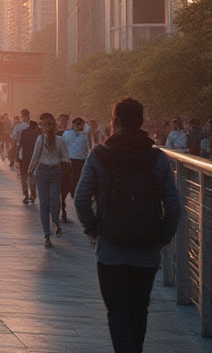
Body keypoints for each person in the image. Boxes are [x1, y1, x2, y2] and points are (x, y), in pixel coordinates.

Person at [75, 98, 180, 353]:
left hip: (111, 248)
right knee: (139, 308)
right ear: (141, 122)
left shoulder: (99, 155)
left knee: (117, 311)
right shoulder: (156, 157)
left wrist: (93, 230)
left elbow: (81, 198)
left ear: (115, 121)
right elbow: (174, 205)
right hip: (147, 249)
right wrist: (163, 236)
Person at [27, 112, 68, 246]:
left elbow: (65, 157)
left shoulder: (60, 141)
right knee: (44, 204)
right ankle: (46, 234)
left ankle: (55, 222)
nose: (47, 127)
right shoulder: (41, 139)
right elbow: (35, 156)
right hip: (42, 172)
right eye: (44, 124)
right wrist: (30, 169)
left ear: (54, 125)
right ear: (41, 126)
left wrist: (65, 167)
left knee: (55, 202)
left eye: (50, 124)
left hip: (55, 171)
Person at [62, 115, 92, 222]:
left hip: (79, 162)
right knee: (66, 185)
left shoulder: (84, 136)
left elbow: (89, 149)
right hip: (69, 161)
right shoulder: (67, 134)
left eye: (81, 124)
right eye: (78, 124)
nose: (79, 126)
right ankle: (63, 207)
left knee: (76, 184)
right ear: (74, 124)